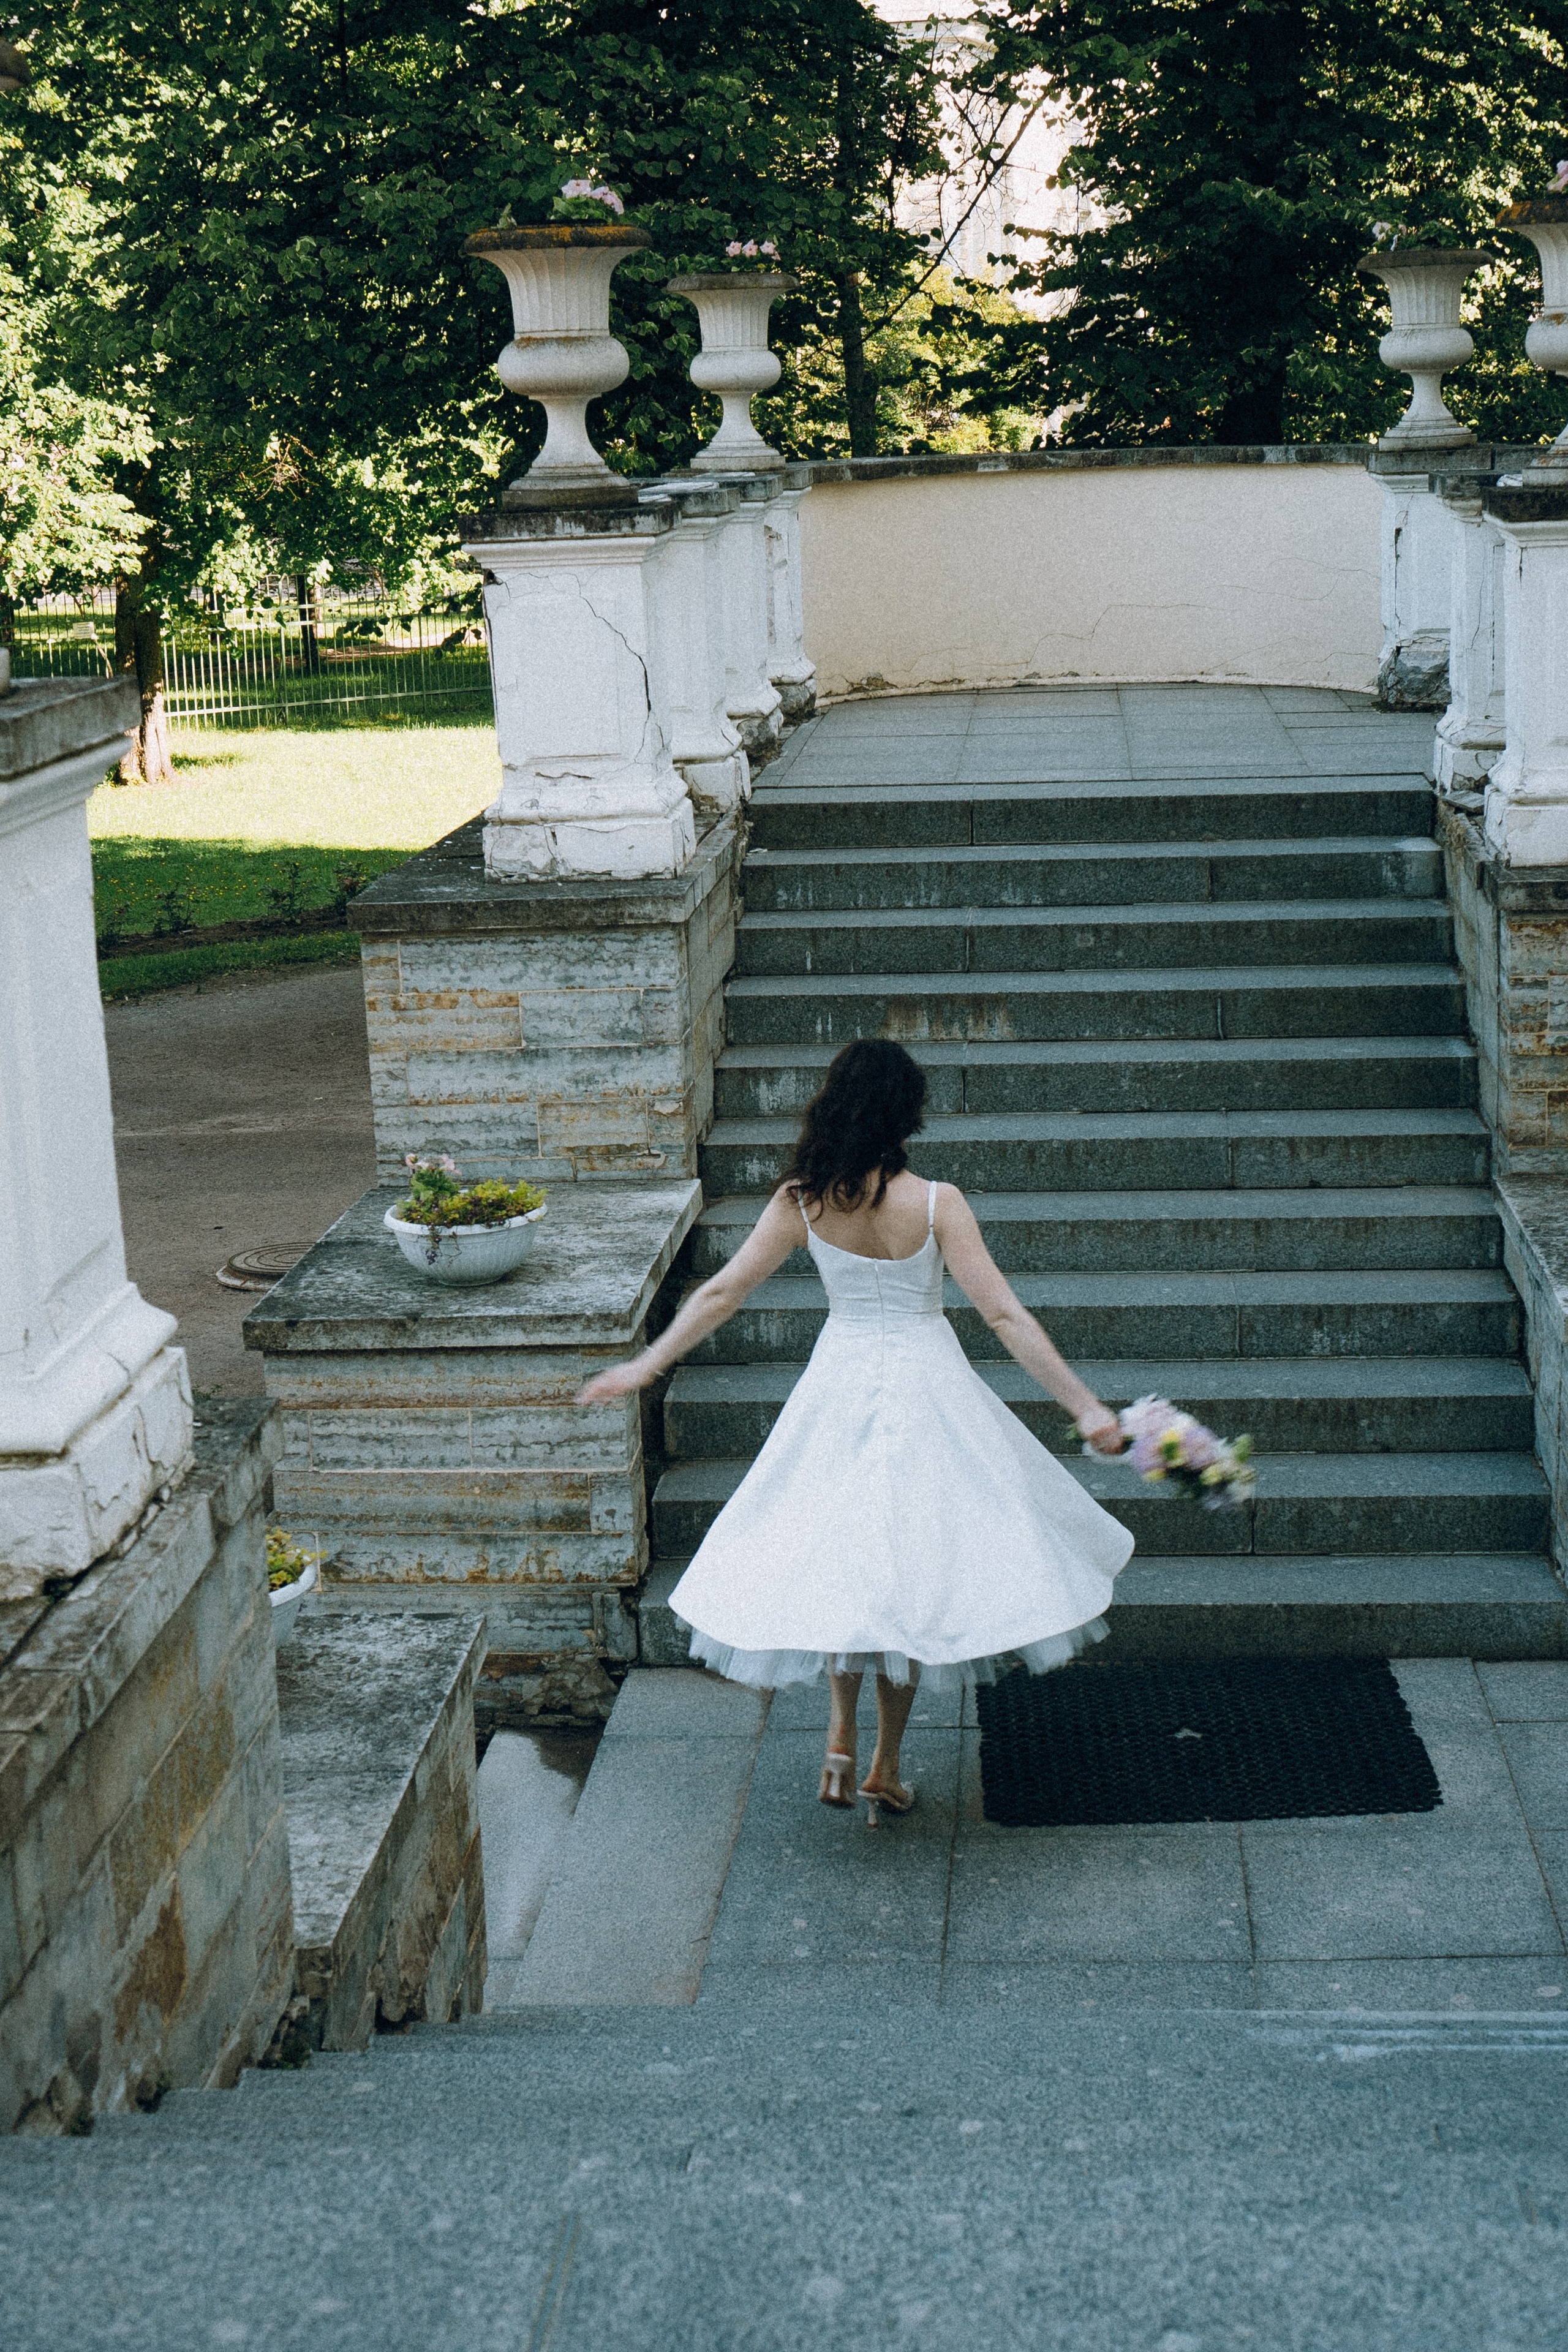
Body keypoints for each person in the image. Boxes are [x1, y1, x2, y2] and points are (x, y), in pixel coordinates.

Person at [578, 1039, 1133, 1826]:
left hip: (837, 1384)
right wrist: (1084, 1407)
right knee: (911, 1570)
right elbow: (1005, 1316)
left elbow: (722, 1294)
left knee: (846, 1556)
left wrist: (645, 1365)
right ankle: (885, 1763)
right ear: (906, 1113)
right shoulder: (938, 1203)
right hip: (927, 1385)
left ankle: (840, 1739)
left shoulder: (801, 1201)